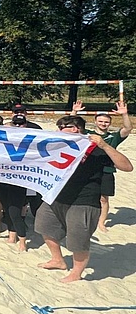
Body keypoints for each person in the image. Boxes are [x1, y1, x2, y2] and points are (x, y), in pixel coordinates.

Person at [35, 115, 132, 283]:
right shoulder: (55, 146)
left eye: (78, 127)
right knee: (45, 227)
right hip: (57, 195)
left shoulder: (95, 148)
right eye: (70, 127)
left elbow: (127, 167)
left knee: (78, 239)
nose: (75, 130)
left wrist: (104, 145)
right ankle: (58, 260)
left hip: (84, 199)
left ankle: (76, 273)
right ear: (60, 130)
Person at [71, 100, 132, 232]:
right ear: (95, 122)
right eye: (100, 121)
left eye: (106, 122)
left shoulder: (113, 136)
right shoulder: (87, 133)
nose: (103, 124)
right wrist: (74, 111)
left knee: (103, 198)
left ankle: (101, 222)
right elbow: (71, 127)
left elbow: (127, 129)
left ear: (109, 123)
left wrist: (124, 114)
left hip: (107, 170)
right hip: (88, 169)